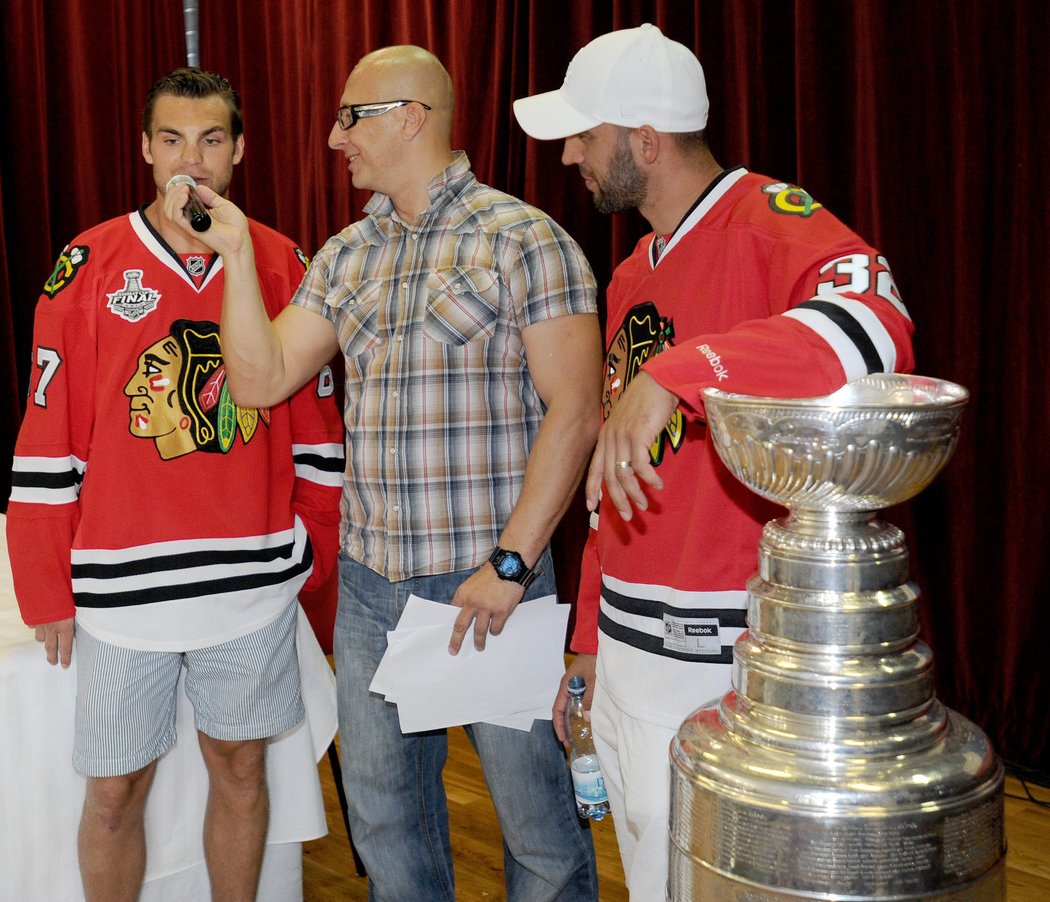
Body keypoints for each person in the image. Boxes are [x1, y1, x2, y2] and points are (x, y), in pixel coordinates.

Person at [164, 46, 602, 901]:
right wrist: (240, 256)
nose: (334, 139)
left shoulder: (524, 240)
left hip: (490, 584)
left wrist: (511, 563)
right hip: (373, 591)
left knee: (538, 829)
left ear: (410, 116)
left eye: (349, 118)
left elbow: (577, 410)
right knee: (384, 816)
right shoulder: (345, 255)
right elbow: (256, 381)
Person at [513, 23, 916, 899]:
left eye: (585, 134)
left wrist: (682, 369)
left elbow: (881, 330)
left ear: (645, 141)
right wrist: (584, 646)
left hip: (713, 656)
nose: (570, 153)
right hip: (621, 646)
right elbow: (617, 480)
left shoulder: (767, 222)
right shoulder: (629, 273)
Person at [5, 68, 344, 902]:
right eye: (172, 140)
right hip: (124, 588)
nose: (191, 160)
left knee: (239, 769)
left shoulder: (283, 260)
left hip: (250, 584)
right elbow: (50, 434)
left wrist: (310, 562)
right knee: (114, 792)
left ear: (240, 149)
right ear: (145, 149)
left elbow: (318, 443)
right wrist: (46, 585)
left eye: (212, 139)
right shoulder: (88, 261)